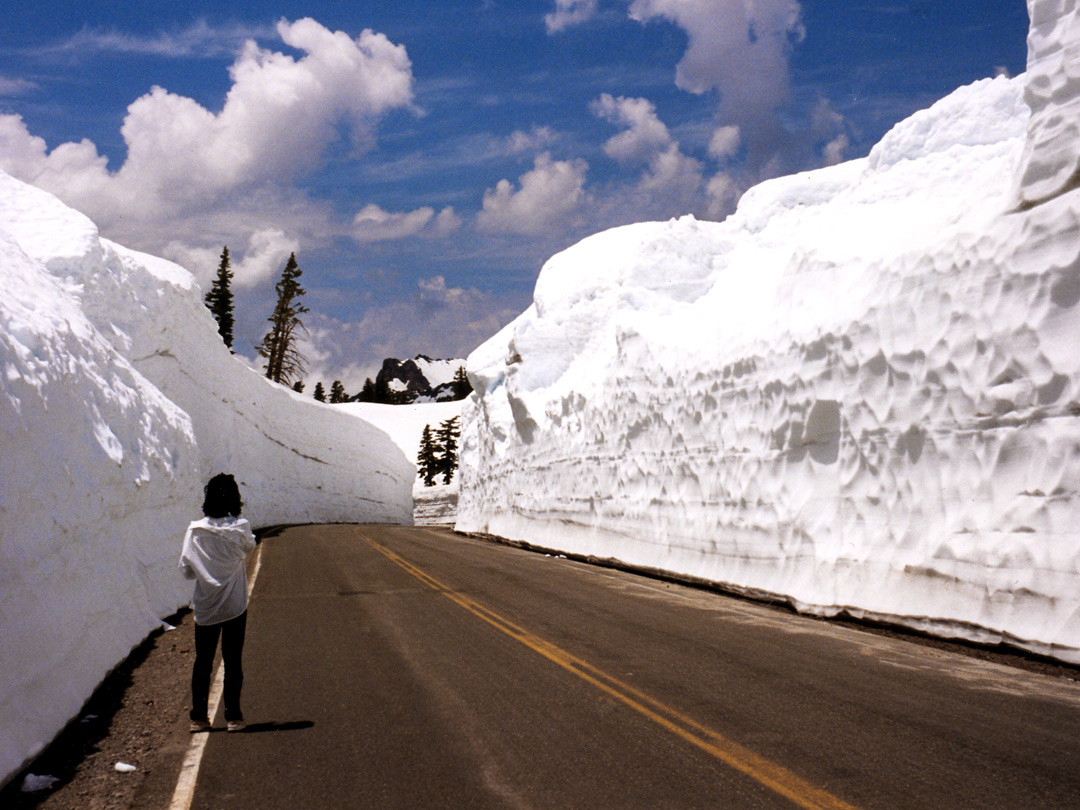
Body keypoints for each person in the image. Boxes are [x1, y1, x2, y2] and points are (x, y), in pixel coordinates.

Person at [179, 473, 257, 733]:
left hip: (206, 607)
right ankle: (233, 717)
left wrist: (206, 568)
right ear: (235, 498)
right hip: (234, 605)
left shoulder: (195, 531)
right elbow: (250, 546)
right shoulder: (240, 527)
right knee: (233, 661)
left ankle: (198, 718)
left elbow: (186, 570)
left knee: (203, 661)